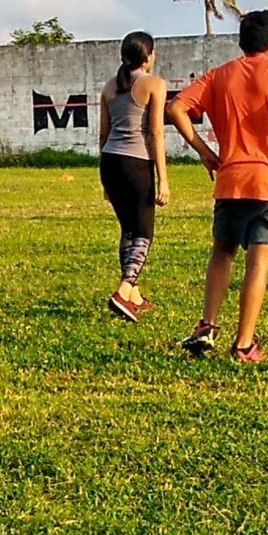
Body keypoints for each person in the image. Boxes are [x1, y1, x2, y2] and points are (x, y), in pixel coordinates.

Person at [166, 9, 268, 364]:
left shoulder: (218, 75)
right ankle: (243, 345)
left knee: (222, 252)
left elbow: (177, 107)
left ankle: (206, 326)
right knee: (258, 262)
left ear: (242, 40)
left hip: (231, 178)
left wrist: (205, 151)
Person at [96, 31, 170, 320]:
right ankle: (123, 290)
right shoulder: (154, 84)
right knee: (143, 232)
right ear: (148, 56)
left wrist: (104, 180)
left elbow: (103, 134)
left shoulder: (109, 86)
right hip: (136, 163)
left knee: (127, 229)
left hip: (110, 163)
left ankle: (134, 294)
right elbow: (155, 133)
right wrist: (163, 178)